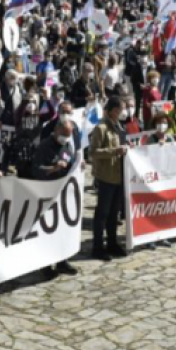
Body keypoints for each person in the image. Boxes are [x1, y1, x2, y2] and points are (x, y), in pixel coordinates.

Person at [33, 118, 80, 277]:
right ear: (57, 130)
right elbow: (36, 170)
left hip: (63, 193)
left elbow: (70, 160)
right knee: (47, 230)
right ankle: (45, 265)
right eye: (65, 134)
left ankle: (62, 261)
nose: (66, 138)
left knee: (62, 228)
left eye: (69, 135)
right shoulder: (45, 146)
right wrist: (53, 168)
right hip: (46, 193)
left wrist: (77, 165)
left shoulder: (66, 144)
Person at [89, 96, 128, 261]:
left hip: (119, 176)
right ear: (112, 110)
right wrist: (114, 151)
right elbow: (93, 152)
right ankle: (98, 246)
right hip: (106, 177)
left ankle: (112, 242)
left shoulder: (120, 127)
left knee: (114, 213)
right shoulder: (101, 128)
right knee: (102, 213)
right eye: (120, 109)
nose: (122, 112)